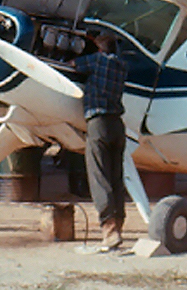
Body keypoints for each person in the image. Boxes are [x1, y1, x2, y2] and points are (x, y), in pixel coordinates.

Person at [72, 33, 127, 250]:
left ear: (99, 49)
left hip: (98, 123)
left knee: (99, 176)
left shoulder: (96, 60)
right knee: (115, 177)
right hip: (117, 125)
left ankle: (109, 228)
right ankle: (118, 225)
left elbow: (73, 64)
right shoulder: (122, 66)